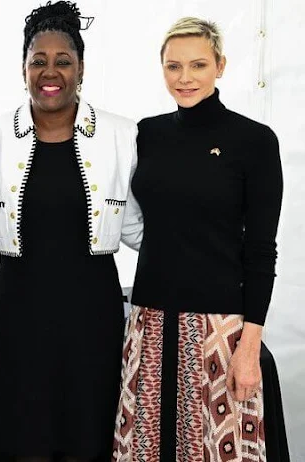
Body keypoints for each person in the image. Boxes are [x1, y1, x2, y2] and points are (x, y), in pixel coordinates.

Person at [0, 2, 142, 461]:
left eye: (63, 61)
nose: (49, 72)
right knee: (25, 435)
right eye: (39, 60)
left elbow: (135, 225)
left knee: (88, 433)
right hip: (21, 311)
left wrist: (202, 268)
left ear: (81, 69)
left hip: (93, 310)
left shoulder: (120, 134)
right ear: (23, 69)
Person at [112, 17, 283, 462]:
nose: (184, 78)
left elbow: (262, 251)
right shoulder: (147, 134)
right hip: (148, 322)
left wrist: (249, 347)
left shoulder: (255, 141)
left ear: (220, 66)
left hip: (219, 330)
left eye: (198, 65)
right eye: (173, 67)